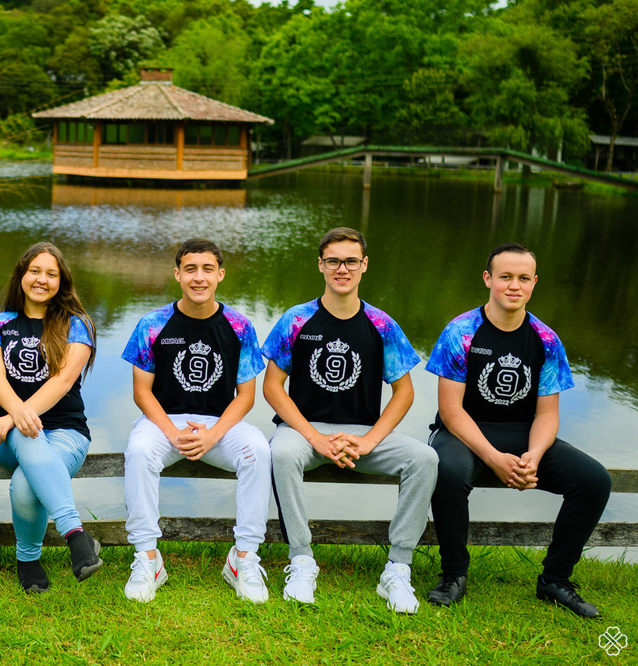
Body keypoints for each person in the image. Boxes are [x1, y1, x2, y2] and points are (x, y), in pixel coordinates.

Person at [425, 242, 611, 618]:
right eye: (505, 276)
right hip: (463, 431)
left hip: (523, 433)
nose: (514, 285)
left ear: (534, 283)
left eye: (523, 278)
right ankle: (454, 574)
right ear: (488, 279)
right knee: (447, 470)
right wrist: (493, 458)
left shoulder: (546, 339)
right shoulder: (460, 332)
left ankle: (555, 579)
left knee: (594, 481)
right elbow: (450, 409)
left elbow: (547, 414)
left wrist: (534, 457)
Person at [262, 227, 436, 614]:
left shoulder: (381, 324)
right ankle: (302, 559)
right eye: (334, 261)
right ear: (321, 265)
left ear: (364, 265)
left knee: (425, 460)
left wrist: (371, 440)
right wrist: (315, 437)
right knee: (281, 453)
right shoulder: (296, 319)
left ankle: (397, 569)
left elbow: (405, 392)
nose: (343, 268)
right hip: (303, 431)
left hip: (362, 434)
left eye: (351, 261)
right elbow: (272, 387)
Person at [121, 238, 272, 603]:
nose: (198, 277)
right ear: (177, 274)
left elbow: (247, 396)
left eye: (207, 269)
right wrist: (172, 433)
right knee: (139, 451)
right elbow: (142, 393)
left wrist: (213, 434)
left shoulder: (239, 326)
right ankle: (148, 558)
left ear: (220, 275)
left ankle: (243, 558)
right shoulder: (153, 324)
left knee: (258, 451)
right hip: (164, 421)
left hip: (219, 424)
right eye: (190, 269)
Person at [0, 242, 103, 593]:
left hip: (67, 434)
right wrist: (17, 414)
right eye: (35, 271)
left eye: (51, 274)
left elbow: (62, 381)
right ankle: (76, 535)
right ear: (21, 275)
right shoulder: (0, 324)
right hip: (9, 439)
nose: (41, 279)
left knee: (24, 484)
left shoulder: (77, 325)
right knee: (26, 432)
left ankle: (28, 560)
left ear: (61, 282)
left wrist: (15, 414)